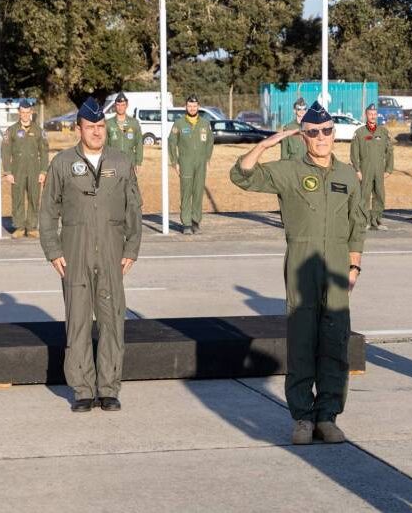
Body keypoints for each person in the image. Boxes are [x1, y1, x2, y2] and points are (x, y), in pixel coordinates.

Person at [230, 100, 365, 445]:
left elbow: (357, 222)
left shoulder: (347, 175)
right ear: (303, 136)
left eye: (327, 131)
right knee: (302, 342)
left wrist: (354, 265)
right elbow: (242, 176)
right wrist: (264, 145)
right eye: (313, 132)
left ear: (334, 134)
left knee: (335, 342)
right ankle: (303, 418)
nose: (321, 137)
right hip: (301, 262)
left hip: (338, 264)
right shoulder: (289, 171)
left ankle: (328, 417)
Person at [39, 97, 143, 412]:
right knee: (78, 322)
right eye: (90, 127)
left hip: (111, 251)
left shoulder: (121, 162)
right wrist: (53, 249)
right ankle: (83, 389)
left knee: (112, 322)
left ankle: (109, 388)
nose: (97, 132)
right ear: (78, 129)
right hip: (75, 251)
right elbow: (48, 210)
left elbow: (134, 208)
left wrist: (131, 248)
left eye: (101, 126)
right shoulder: (62, 163)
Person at [2, 99, 49, 238]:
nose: (25, 115)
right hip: (17, 169)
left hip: (34, 169)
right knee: (17, 198)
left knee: (34, 197)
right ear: (19, 113)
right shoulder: (11, 130)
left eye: (27, 112)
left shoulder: (38, 130)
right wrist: (8, 172)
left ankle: (32, 227)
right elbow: (5, 152)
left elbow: (44, 152)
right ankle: (19, 227)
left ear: (31, 112)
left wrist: (43, 171)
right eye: (23, 112)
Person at [168, 94, 213, 234]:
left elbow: (210, 142)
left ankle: (195, 221)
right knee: (186, 192)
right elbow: (171, 142)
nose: (192, 108)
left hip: (200, 162)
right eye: (189, 106)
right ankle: (186, 223)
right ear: (185, 107)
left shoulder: (205, 123)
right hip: (185, 162)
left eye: (194, 106)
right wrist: (175, 162)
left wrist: (207, 159)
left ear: (198, 107)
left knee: (198, 192)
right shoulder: (179, 123)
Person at [350, 103, 394, 231]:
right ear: (366, 115)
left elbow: (390, 151)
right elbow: (354, 153)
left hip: (379, 169)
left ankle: (376, 221)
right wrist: (357, 170)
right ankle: (365, 221)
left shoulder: (383, 132)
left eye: (374, 114)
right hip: (365, 169)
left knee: (379, 195)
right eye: (370, 114)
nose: (373, 116)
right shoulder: (359, 133)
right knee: (364, 195)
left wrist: (389, 169)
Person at [105, 92, 143, 168]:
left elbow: (139, 143)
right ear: (115, 106)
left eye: (123, 105)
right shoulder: (108, 123)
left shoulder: (134, 123)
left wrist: (138, 162)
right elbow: (104, 144)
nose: (120, 107)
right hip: (113, 162)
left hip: (130, 161)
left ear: (127, 105)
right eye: (118, 105)